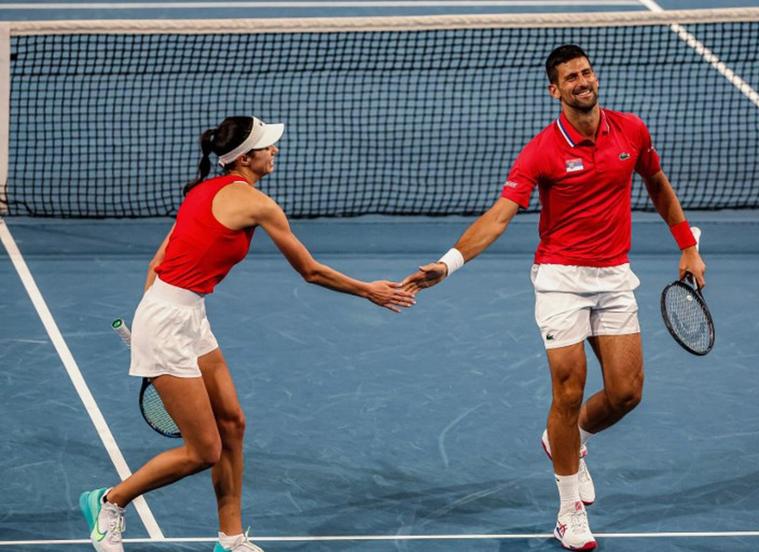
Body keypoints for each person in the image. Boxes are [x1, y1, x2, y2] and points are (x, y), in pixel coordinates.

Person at [402, 45, 706, 551]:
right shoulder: (541, 150)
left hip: (613, 277)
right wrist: (448, 263)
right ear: (555, 90)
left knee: (627, 394)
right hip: (560, 279)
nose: (583, 82)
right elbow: (500, 216)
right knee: (567, 391)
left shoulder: (631, 130)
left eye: (587, 72)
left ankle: (566, 441)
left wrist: (688, 247)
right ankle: (568, 511)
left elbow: (655, 181)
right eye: (571, 78)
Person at [79, 116, 416, 552]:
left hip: (184, 314)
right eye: (269, 146)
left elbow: (156, 263)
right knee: (203, 451)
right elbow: (310, 271)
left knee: (233, 425)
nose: (276, 151)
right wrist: (367, 290)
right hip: (168, 322)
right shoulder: (258, 205)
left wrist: (151, 311)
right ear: (247, 156)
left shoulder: (201, 192)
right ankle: (109, 501)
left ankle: (231, 539)